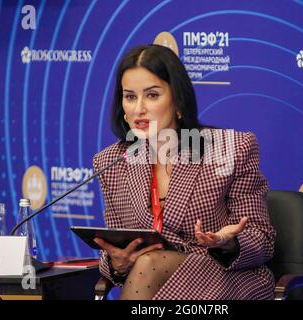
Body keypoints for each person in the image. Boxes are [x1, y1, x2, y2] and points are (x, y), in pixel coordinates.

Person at [92, 44, 276, 300]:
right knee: (147, 266)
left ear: (178, 100)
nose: (138, 109)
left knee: (148, 266)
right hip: (152, 284)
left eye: (152, 95)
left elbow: (262, 239)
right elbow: (114, 245)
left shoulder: (230, 149)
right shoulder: (112, 161)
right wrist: (116, 263)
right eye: (130, 97)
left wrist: (227, 243)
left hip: (223, 280)